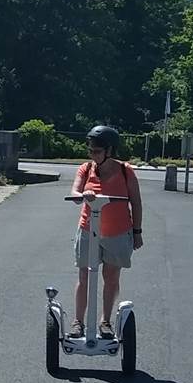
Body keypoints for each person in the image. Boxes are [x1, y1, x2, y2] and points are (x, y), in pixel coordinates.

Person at [71, 124, 143, 338]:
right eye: (90, 150)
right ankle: (78, 322)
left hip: (118, 232)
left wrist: (137, 232)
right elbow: (74, 192)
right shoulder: (86, 169)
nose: (92, 155)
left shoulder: (125, 171)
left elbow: (136, 203)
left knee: (111, 277)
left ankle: (105, 321)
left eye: (97, 151)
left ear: (110, 150)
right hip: (88, 229)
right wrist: (83, 194)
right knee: (84, 276)